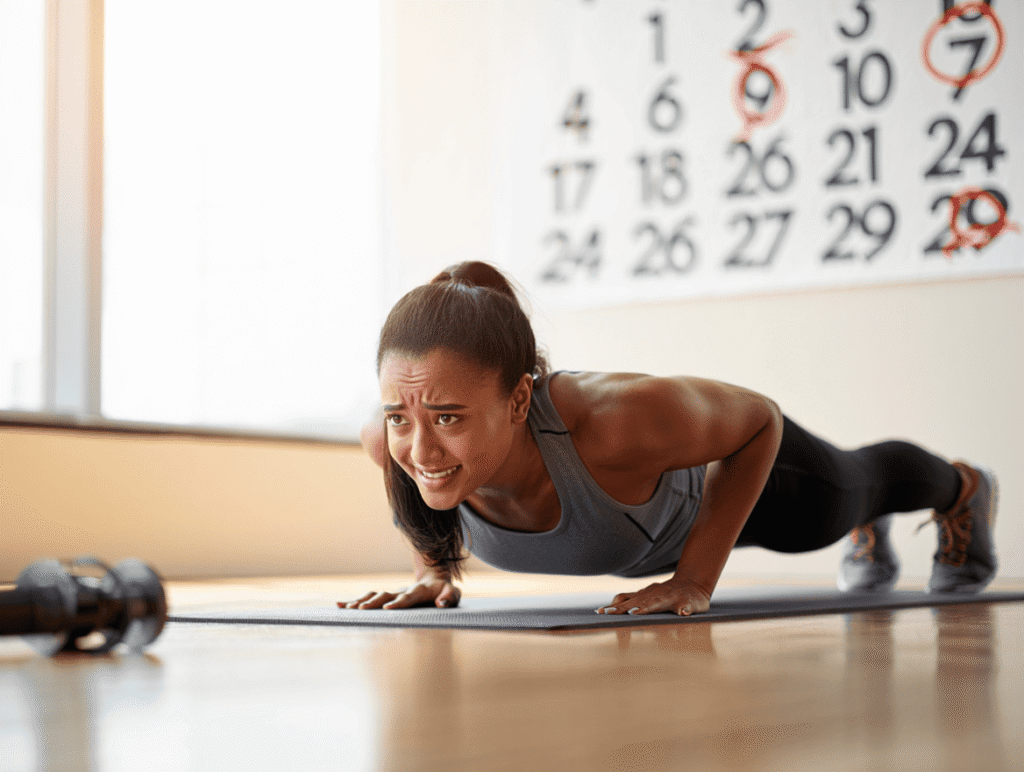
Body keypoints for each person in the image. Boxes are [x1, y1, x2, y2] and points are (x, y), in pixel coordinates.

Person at [341, 262, 998, 616]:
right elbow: (408, 452)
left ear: (518, 398)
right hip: (647, 539)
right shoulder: (392, 438)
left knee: (853, 490)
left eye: (449, 418)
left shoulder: (616, 418)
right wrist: (431, 572)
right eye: (401, 415)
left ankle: (964, 488)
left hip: (745, 486)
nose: (420, 449)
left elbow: (760, 420)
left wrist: (694, 581)